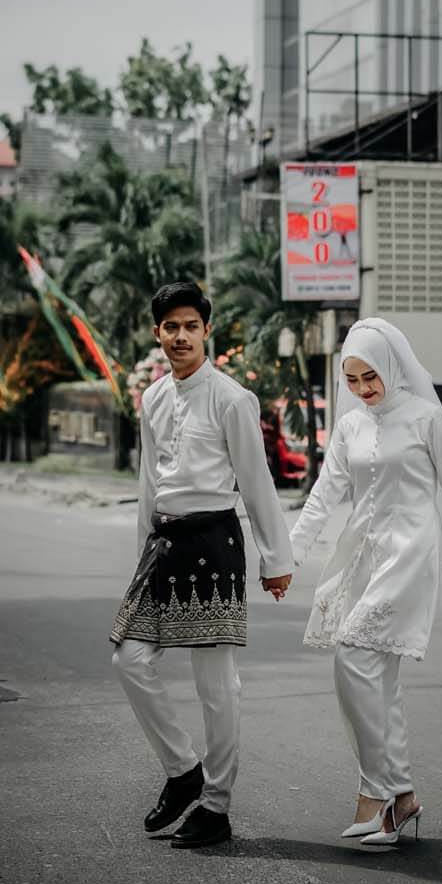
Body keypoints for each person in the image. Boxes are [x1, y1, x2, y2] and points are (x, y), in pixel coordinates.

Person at [289, 318, 442, 848]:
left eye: (370, 377)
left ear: (391, 367)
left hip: (410, 557)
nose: (363, 389)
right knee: (378, 681)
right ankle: (400, 800)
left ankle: (378, 793)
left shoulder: (424, 419)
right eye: (352, 380)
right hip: (364, 559)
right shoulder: (350, 426)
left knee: (352, 656)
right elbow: (323, 496)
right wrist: (286, 557)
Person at [110, 282, 293, 848]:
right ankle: (183, 770)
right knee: (129, 659)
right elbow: (148, 483)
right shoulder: (152, 398)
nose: (181, 336)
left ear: (206, 331)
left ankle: (216, 806)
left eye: (191, 325)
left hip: (214, 545)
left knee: (216, 686)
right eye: (171, 326)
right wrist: (141, 552)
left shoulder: (232, 399)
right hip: (164, 546)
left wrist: (276, 558)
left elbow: (256, 482)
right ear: (158, 333)